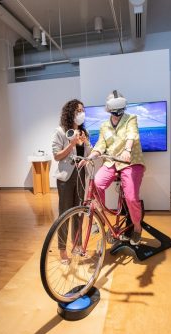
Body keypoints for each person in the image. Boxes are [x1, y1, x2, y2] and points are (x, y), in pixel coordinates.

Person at [81, 90, 145, 245]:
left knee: (131, 197)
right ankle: (101, 220)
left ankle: (137, 227)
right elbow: (100, 146)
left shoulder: (131, 118)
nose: (117, 114)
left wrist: (127, 150)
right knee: (96, 183)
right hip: (111, 162)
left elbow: (132, 135)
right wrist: (90, 157)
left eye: (119, 111)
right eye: (114, 111)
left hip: (130, 162)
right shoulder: (104, 126)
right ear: (109, 109)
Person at [52, 99, 91, 264]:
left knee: (79, 213)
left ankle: (77, 245)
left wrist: (86, 143)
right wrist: (72, 144)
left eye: (82, 110)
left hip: (81, 176)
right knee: (64, 214)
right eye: (77, 111)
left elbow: (88, 154)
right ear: (70, 113)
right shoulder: (60, 131)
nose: (81, 114)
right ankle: (62, 250)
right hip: (66, 178)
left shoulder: (84, 132)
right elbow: (56, 155)